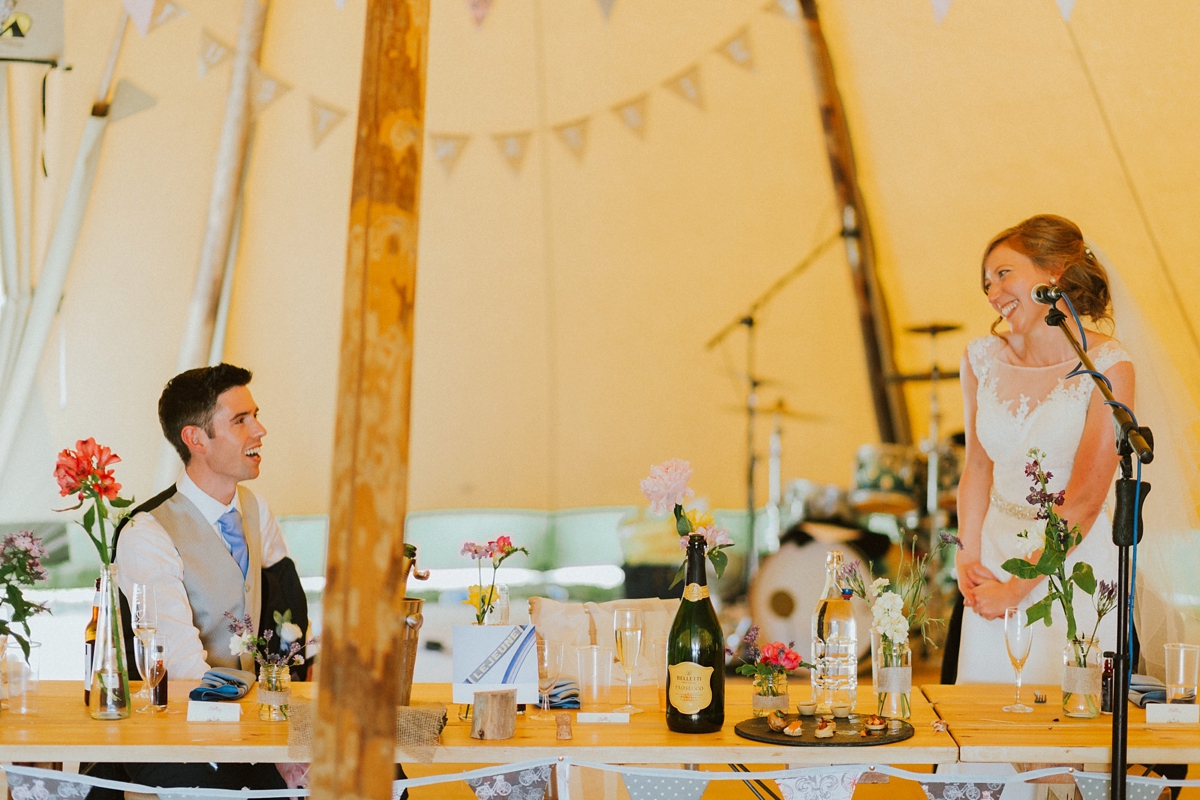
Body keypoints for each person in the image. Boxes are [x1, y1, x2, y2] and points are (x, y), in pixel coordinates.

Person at [86, 364, 304, 792]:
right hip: (181, 731)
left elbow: (288, 609)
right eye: (241, 420)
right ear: (195, 439)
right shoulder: (146, 532)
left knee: (380, 771)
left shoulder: (255, 510)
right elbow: (182, 672)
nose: (259, 430)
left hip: (255, 716)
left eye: (254, 415)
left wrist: (287, 724)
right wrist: (269, 745)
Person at [955, 214, 1132, 684]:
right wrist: (968, 555)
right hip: (994, 557)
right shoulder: (980, 360)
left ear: (1052, 272)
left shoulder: (1108, 366)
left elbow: (1087, 498)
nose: (992, 293)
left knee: (1064, 715)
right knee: (987, 715)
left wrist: (1016, 589)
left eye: (1003, 274)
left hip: (1074, 562)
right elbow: (976, 466)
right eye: (987, 282)